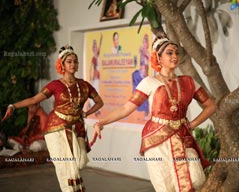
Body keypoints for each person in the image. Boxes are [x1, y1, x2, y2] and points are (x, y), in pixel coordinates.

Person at [90, 33, 217, 192]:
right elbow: (126, 108)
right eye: (169, 53)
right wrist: (101, 122)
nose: (174, 56)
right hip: (156, 138)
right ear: (158, 57)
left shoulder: (189, 82)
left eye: (176, 52)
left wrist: (192, 124)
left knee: (196, 179)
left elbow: (211, 105)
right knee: (165, 186)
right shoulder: (149, 82)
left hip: (181, 135)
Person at [2, 45, 104, 192]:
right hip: (55, 127)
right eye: (69, 61)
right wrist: (13, 106)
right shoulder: (55, 85)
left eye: (75, 61)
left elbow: (100, 102)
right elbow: (34, 99)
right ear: (62, 64)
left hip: (76, 127)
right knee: (67, 166)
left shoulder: (84, 85)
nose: (73, 64)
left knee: (80, 162)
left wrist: (87, 113)